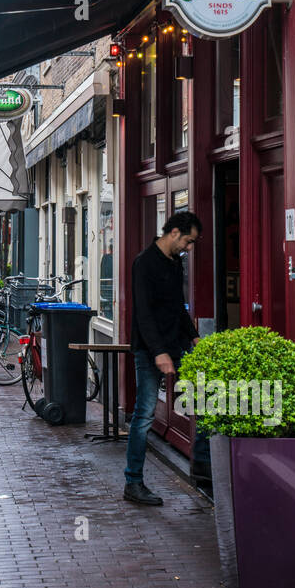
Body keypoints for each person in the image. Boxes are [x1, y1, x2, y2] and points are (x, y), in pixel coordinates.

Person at [125, 210, 209, 507]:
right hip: (150, 350)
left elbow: (177, 306)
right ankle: (133, 482)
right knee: (145, 413)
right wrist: (159, 352)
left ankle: (203, 467)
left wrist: (194, 336)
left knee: (205, 399)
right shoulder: (143, 263)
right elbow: (144, 314)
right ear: (174, 232)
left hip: (178, 344)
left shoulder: (176, 263)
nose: (189, 247)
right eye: (188, 240)